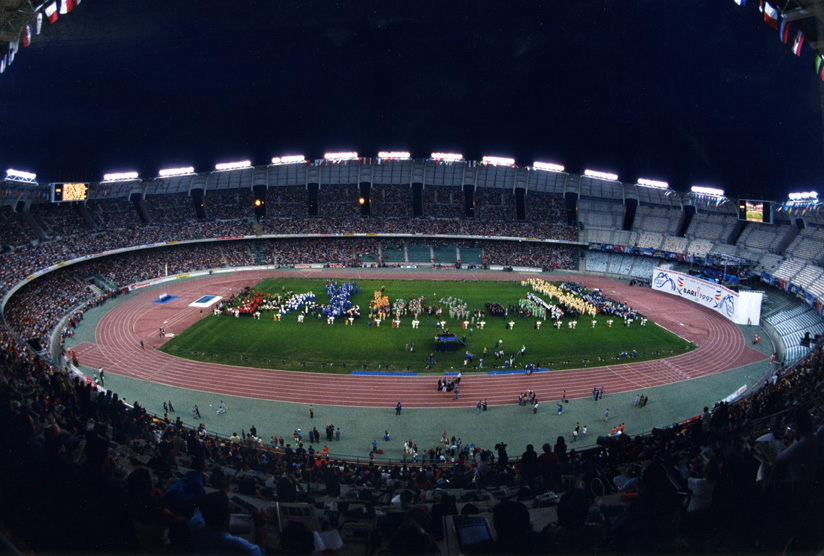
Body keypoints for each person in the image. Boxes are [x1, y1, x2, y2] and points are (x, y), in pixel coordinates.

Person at [189, 491, 266, 555]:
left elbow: (201, 508)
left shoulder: (195, 525)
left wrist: (220, 498)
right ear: (227, 519)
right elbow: (260, 552)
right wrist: (259, 526)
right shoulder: (236, 543)